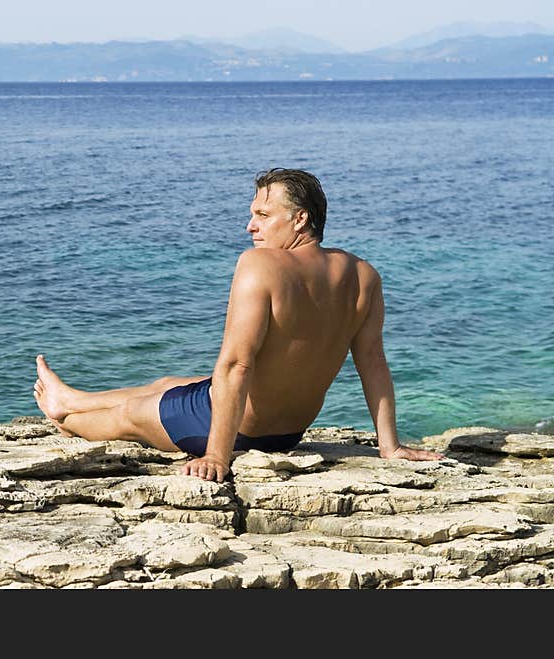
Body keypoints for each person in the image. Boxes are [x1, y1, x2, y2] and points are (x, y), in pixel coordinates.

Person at [33, 168, 443, 483]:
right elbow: (372, 363)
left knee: (130, 416)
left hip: (229, 430)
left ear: (300, 219)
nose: (251, 226)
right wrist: (389, 447)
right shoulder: (363, 275)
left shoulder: (260, 265)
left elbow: (236, 365)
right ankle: (72, 397)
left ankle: (64, 418)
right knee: (170, 385)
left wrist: (216, 455)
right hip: (289, 432)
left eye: (263, 215)